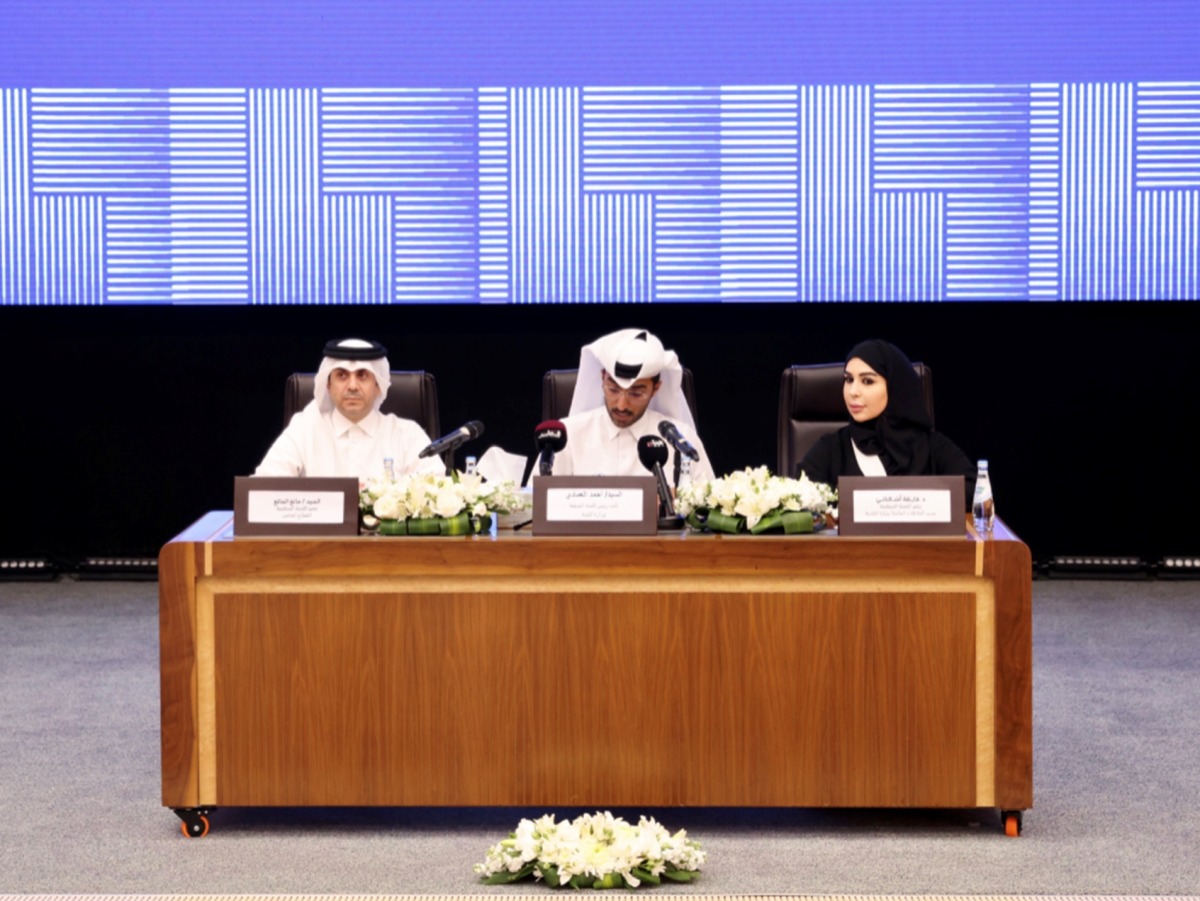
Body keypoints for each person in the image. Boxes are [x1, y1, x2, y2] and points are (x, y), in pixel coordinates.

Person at [799, 339, 976, 503]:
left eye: (867, 381)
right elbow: (797, 498)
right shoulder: (831, 448)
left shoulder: (931, 446)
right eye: (848, 379)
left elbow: (976, 492)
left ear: (895, 387)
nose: (853, 391)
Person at [254, 338, 444, 482]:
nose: (352, 386)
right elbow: (263, 487)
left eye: (362, 376)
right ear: (328, 385)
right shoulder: (304, 428)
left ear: (378, 385)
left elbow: (435, 490)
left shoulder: (407, 434)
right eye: (342, 375)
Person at [548, 328, 716, 483]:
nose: (621, 405)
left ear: (655, 388)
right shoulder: (566, 436)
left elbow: (705, 508)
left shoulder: (681, 440)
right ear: (602, 379)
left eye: (636, 394)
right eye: (613, 390)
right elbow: (535, 503)